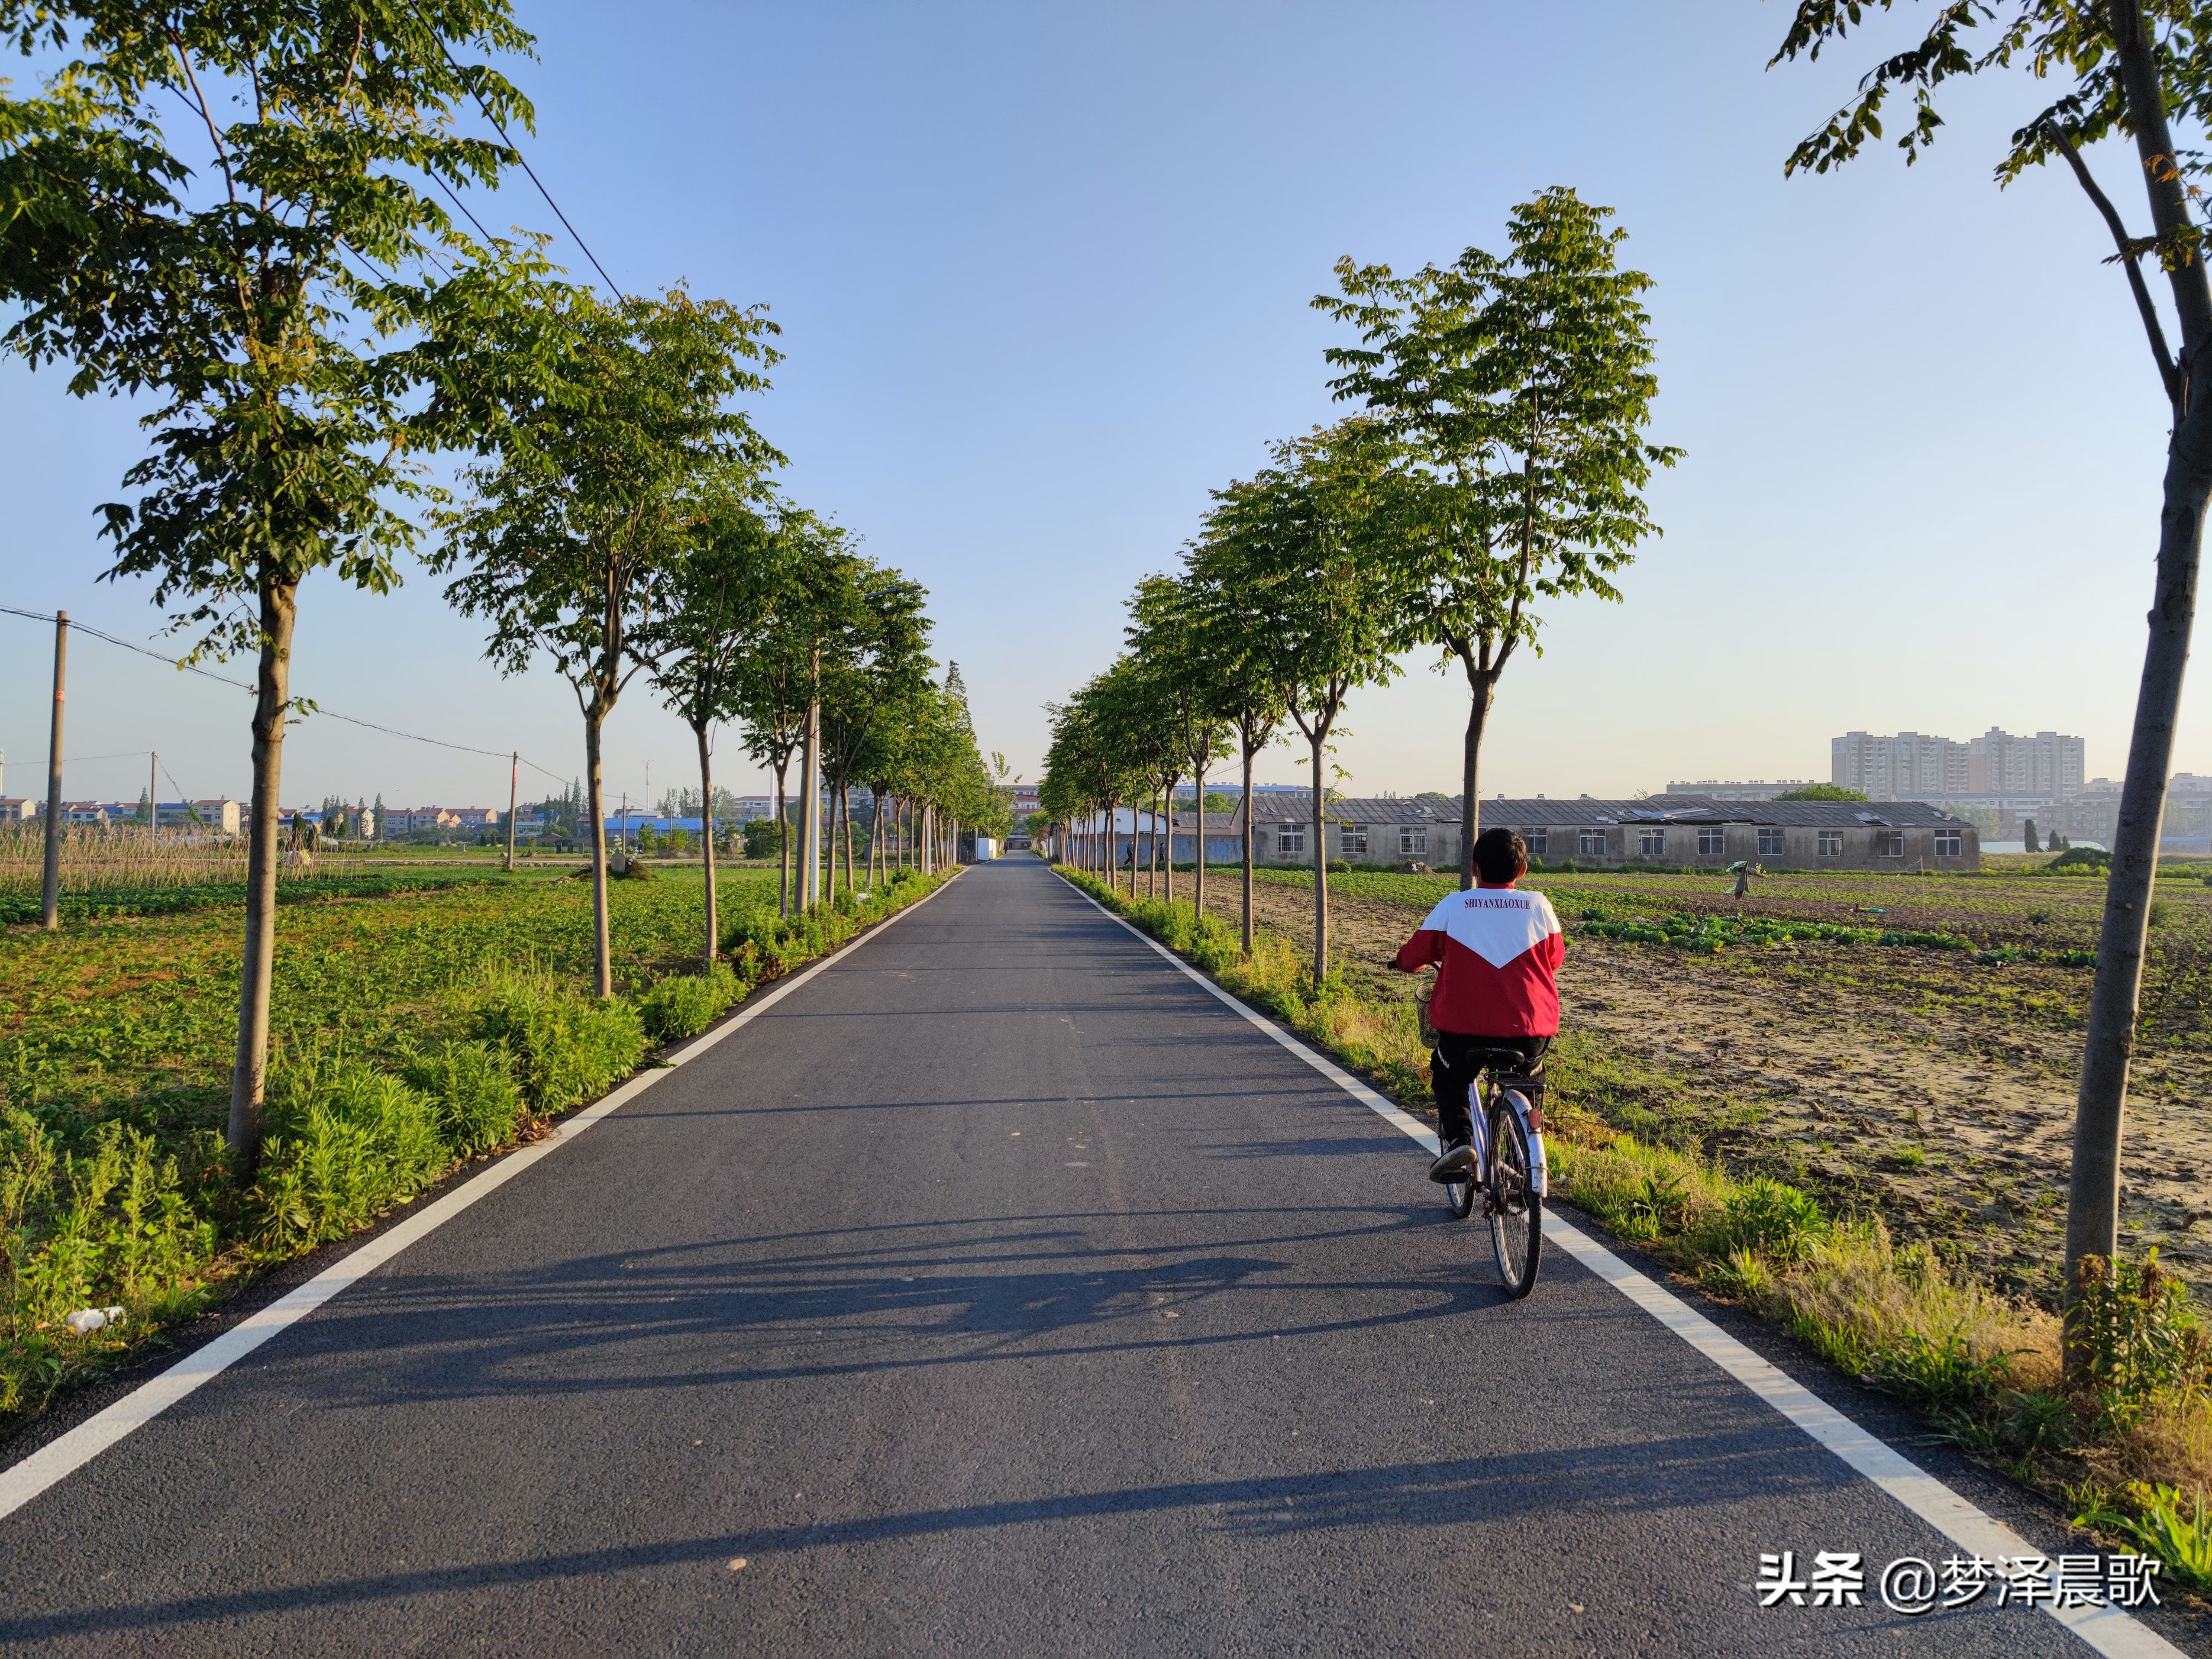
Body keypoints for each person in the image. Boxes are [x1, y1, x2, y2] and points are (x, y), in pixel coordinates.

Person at [1392, 827, 1564, 1183]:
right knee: (1529, 1078)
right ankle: (1521, 1158)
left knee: (1447, 1075)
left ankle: (1460, 1140)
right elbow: (1555, 959)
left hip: (1463, 1030)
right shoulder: (1539, 905)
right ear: (1522, 870)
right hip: (1529, 1029)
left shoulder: (1454, 905)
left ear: (1474, 868)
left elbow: (1414, 955)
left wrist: (1402, 963)